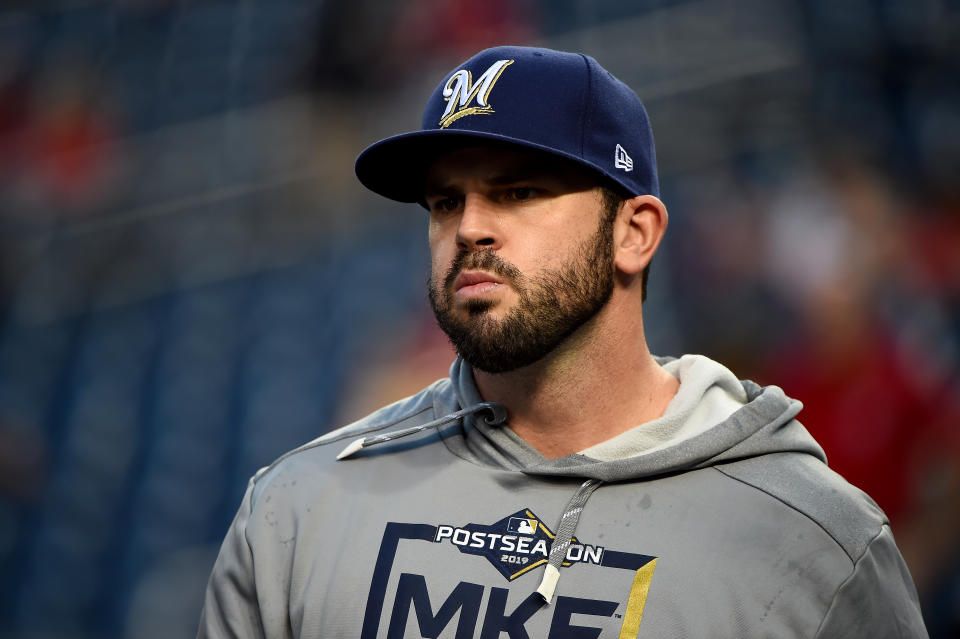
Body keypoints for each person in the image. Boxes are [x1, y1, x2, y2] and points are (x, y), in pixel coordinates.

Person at [197, 46, 927, 638]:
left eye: (519, 192)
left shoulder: (813, 542)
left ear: (634, 233)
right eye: (446, 201)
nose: (470, 227)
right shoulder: (298, 509)